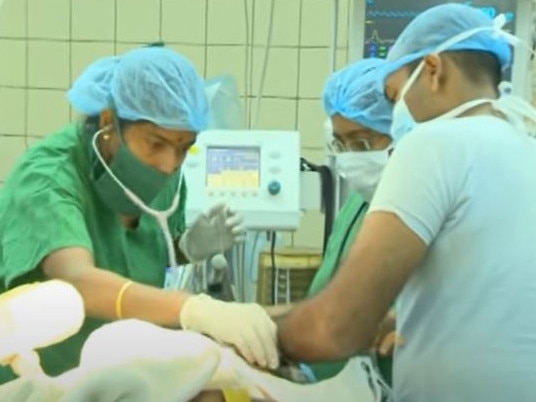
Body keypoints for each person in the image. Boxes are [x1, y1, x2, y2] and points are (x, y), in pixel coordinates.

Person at [275, 3, 536, 401]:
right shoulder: (524, 147)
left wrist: (248, 335)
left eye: (395, 96)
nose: (396, 115)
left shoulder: (433, 145)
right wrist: (416, 318)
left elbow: (335, 327)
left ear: (433, 70)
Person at [0, 46, 279, 384]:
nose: (169, 164)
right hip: (40, 381)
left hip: (119, 376)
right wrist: (193, 309)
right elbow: (75, 281)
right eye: (156, 144)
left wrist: (183, 249)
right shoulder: (49, 178)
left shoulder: (167, 176)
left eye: (183, 146)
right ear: (108, 124)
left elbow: (134, 256)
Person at [303, 57, 396, 383]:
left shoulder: (424, 209)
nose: (351, 158)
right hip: (334, 375)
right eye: (341, 144)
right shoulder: (358, 201)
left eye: (362, 143)